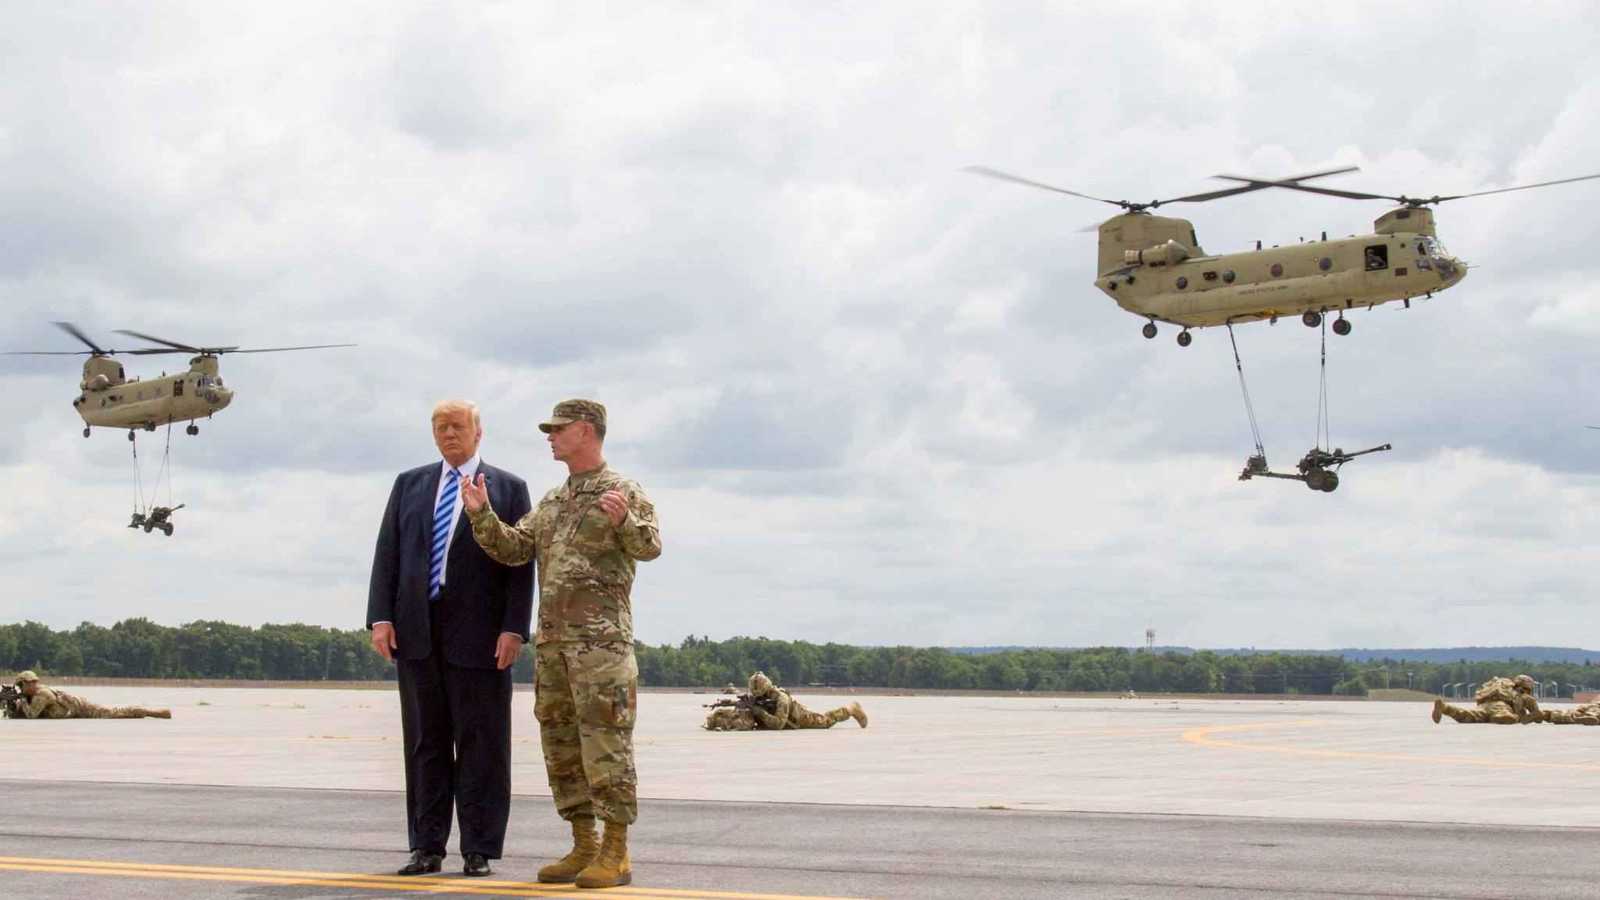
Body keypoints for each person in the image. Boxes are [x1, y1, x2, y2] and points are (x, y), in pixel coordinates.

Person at [463, 398, 660, 890]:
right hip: (552, 650)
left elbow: (651, 546)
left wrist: (625, 524)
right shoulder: (552, 502)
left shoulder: (622, 490)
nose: (550, 436)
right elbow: (513, 548)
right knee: (563, 747)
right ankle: (583, 844)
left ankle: (615, 850)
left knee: (606, 747)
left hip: (601, 651)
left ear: (588, 431)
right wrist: (481, 514)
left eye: (559, 428)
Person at [366, 400, 534, 878]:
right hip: (417, 632)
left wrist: (514, 627)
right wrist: (381, 617)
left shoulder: (508, 488)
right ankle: (426, 846)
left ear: (479, 432)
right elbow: (388, 553)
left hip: (482, 638)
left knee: (482, 744)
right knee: (425, 743)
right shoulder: (410, 484)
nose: (449, 434)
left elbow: (521, 566)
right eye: (440, 427)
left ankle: (478, 848)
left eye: (458, 426)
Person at [7, 671, 171, 719]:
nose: (21, 689)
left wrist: (20, 700)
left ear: (27, 683)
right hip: (74, 710)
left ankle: (153, 712)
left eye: (22, 686)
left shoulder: (41, 694)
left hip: (81, 708)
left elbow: (31, 715)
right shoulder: (34, 695)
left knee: (114, 713)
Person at [746, 672, 868, 730]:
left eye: (761, 695)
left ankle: (851, 708)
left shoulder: (781, 698)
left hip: (804, 719)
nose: (759, 698)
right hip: (795, 721)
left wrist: (759, 712)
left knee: (827, 721)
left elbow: (778, 724)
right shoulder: (765, 698)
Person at [1432, 675, 1542, 725]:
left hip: (1485, 704)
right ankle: (1502, 716)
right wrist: (1522, 717)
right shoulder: (1524, 695)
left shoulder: (1502, 686)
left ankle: (1445, 707)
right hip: (1501, 706)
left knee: (1468, 716)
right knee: (1507, 718)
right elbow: (1537, 715)